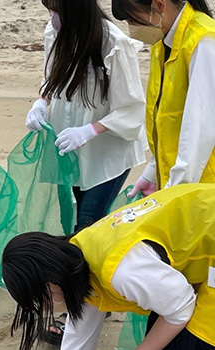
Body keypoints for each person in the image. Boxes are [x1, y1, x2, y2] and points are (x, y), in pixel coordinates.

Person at [2, 183, 215, 350]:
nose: (48, 307)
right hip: (200, 221)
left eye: (42, 300)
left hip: (208, 225)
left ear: (50, 282)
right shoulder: (79, 259)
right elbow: (79, 335)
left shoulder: (121, 271)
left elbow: (181, 308)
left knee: (196, 339)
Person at [25, 0, 147, 231]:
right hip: (67, 150)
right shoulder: (55, 33)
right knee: (67, 222)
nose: (53, 17)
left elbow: (131, 108)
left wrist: (90, 130)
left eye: (57, 11)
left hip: (106, 154)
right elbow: (52, 80)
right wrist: (41, 103)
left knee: (89, 224)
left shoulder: (114, 44)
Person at [111, 0, 215, 198]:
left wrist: (171, 196)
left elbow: (199, 133)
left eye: (134, 19)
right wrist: (152, 174)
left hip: (204, 192)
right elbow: (166, 120)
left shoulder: (205, 42)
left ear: (159, 5)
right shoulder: (163, 43)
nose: (132, 29)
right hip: (182, 186)